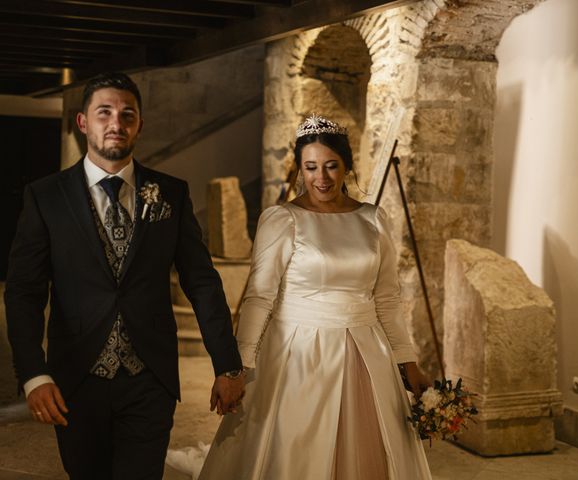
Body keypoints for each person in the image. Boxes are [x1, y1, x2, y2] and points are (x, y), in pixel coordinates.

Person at [4, 72, 245, 479]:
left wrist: (227, 365)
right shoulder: (46, 197)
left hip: (149, 379)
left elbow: (201, 282)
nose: (116, 122)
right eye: (104, 112)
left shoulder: (171, 193)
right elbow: (24, 292)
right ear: (84, 122)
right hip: (75, 380)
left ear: (139, 124)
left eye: (127, 114)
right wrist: (33, 373)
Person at [198, 114, 432, 479]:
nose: (320, 178)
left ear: (346, 167)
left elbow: (386, 297)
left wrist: (407, 361)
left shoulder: (373, 220)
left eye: (330, 166)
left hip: (366, 354)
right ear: (299, 170)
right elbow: (259, 298)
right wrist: (238, 367)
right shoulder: (282, 219)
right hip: (299, 356)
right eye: (310, 167)